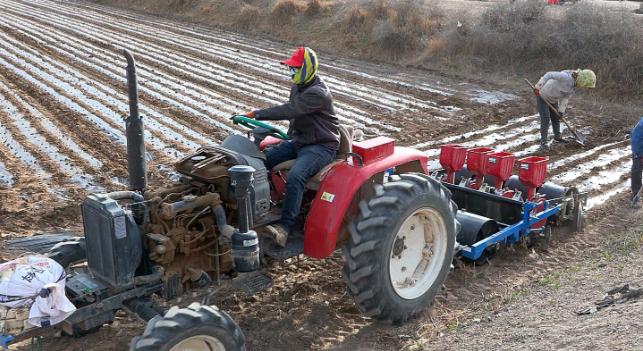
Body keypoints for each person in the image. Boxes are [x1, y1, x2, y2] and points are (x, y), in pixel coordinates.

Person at [237, 47, 340, 246]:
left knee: (296, 175)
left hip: (321, 146)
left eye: (295, 68)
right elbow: (296, 116)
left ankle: (285, 227)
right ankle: (255, 207)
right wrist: (288, 138)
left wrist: (257, 114)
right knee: (260, 160)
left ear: (307, 68)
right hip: (300, 141)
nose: (291, 73)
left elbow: (290, 110)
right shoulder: (298, 87)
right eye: (290, 69)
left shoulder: (318, 93)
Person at [533, 69, 596, 151]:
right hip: (542, 95)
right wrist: (538, 86)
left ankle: (557, 137)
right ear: (583, 81)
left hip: (553, 99)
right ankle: (543, 143)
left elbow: (565, 98)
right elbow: (549, 74)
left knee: (556, 118)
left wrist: (561, 111)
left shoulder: (573, 85)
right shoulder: (565, 77)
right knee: (545, 118)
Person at [631, 117, 643, 203]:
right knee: (637, 171)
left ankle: (636, 193)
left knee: (636, 170)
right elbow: (636, 139)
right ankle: (636, 194)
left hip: (637, 150)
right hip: (639, 151)